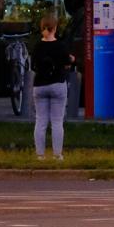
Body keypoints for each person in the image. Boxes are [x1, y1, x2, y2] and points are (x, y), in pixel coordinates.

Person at [31, 16, 75, 161]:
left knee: (41, 121)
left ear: (42, 27)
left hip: (40, 86)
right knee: (57, 122)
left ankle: (40, 155)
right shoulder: (61, 46)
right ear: (55, 28)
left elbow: (33, 66)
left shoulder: (37, 47)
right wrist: (71, 60)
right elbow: (67, 63)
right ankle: (57, 155)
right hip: (57, 84)